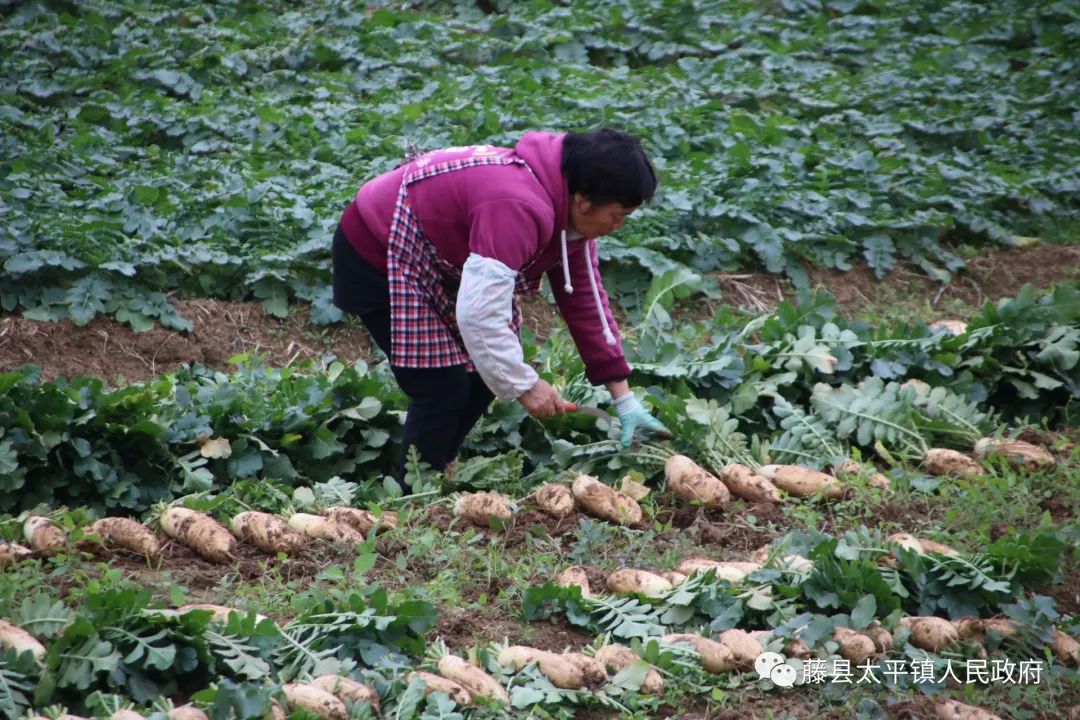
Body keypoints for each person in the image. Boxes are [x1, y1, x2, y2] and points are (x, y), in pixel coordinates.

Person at [331, 128, 669, 485]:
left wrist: (624, 399)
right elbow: (479, 316)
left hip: (438, 256)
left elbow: (586, 304)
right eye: (618, 215)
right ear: (585, 202)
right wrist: (525, 385)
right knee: (441, 387)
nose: (617, 226)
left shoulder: (570, 216)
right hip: (375, 248)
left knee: (480, 380)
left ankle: (436, 467)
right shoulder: (518, 206)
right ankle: (412, 495)